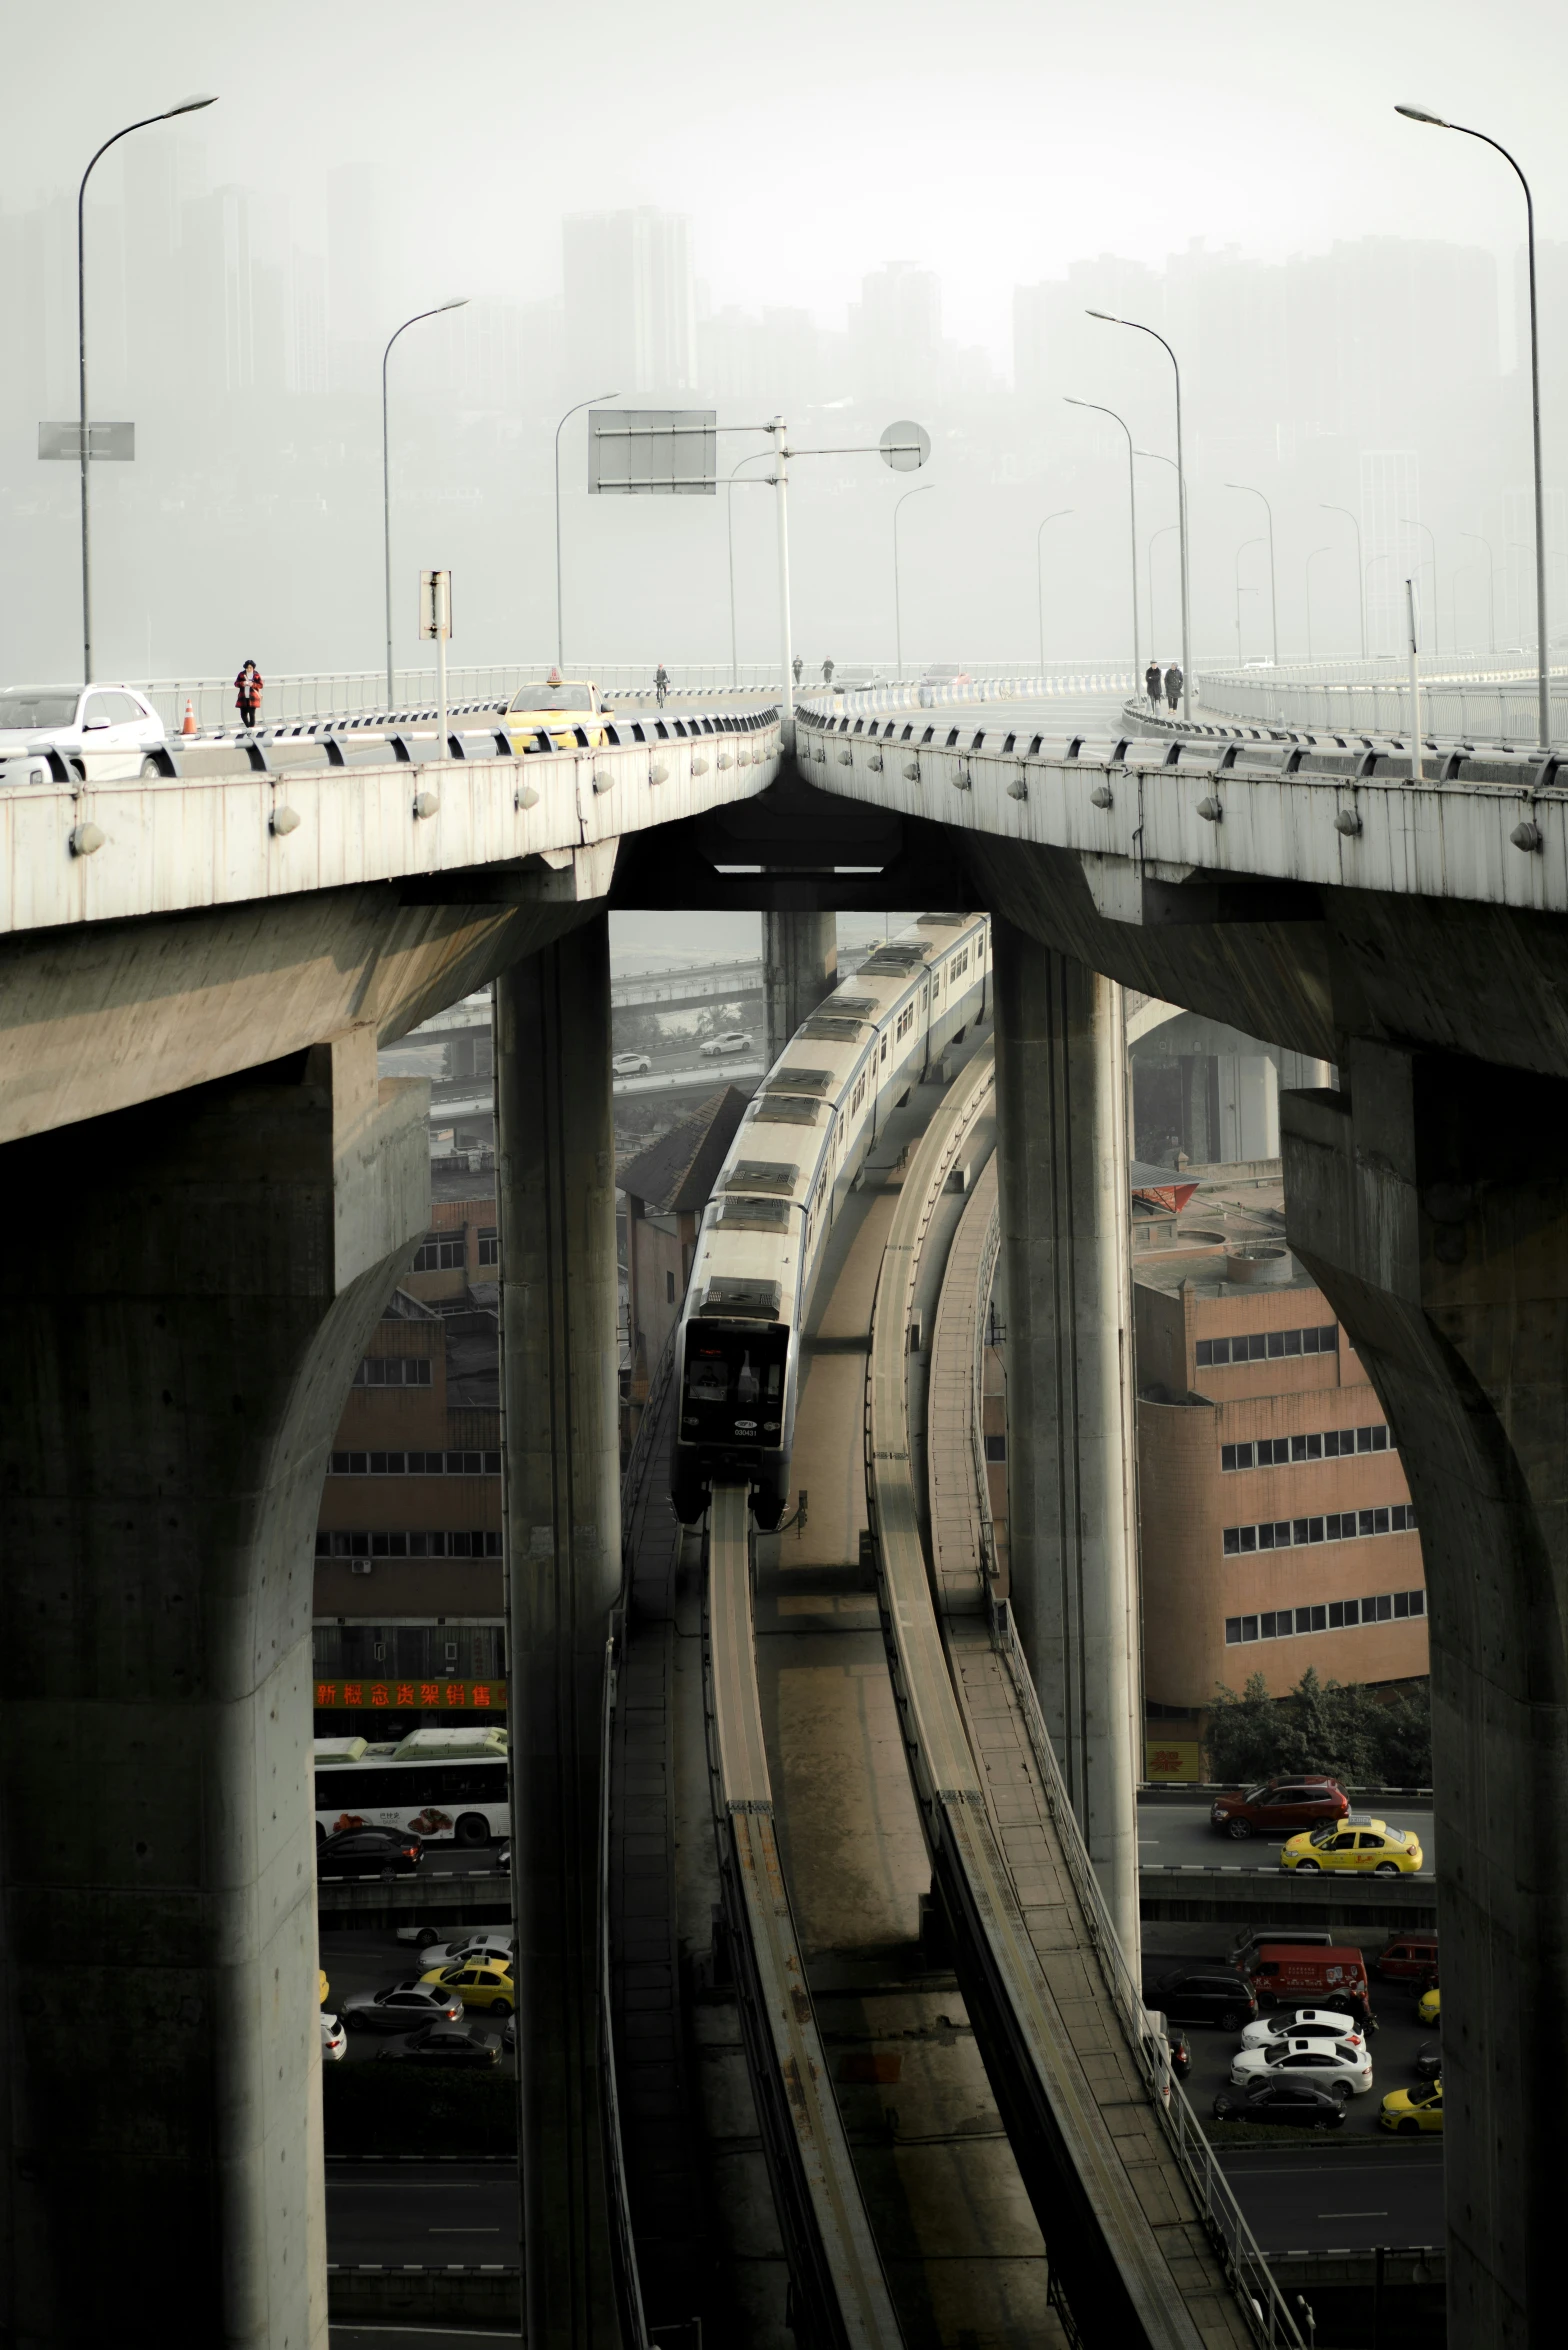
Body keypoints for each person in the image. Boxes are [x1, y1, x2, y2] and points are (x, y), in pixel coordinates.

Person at [234, 659, 263, 730]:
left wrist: (253, 684)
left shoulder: (256, 675)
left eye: (250, 667)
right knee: (243, 714)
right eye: (247, 667)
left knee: (252, 714)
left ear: (253, 667)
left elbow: (260, 685)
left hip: (253, 697)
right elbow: (236, 683)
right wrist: (243, 683)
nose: (249, 669)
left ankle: (251, 729)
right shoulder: (241, 674)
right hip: (243, 697)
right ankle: (248, 727)